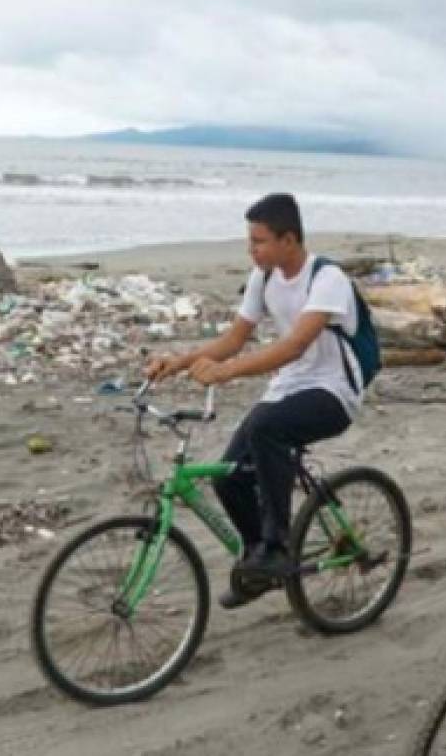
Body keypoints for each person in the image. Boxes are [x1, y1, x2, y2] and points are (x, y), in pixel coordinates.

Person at [145, 193, 362, 608]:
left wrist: (227, 372)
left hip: (334, 390)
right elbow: (233, 339)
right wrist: (177, 362)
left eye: (259, 241)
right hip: (291, 387)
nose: (252, 249)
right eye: (250, 241)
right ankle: (260, 561)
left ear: (289, 240)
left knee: (266, 426)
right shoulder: (264, 278)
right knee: (228, 477)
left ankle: (278, 546)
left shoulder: (326, 278)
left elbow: (296, 345)